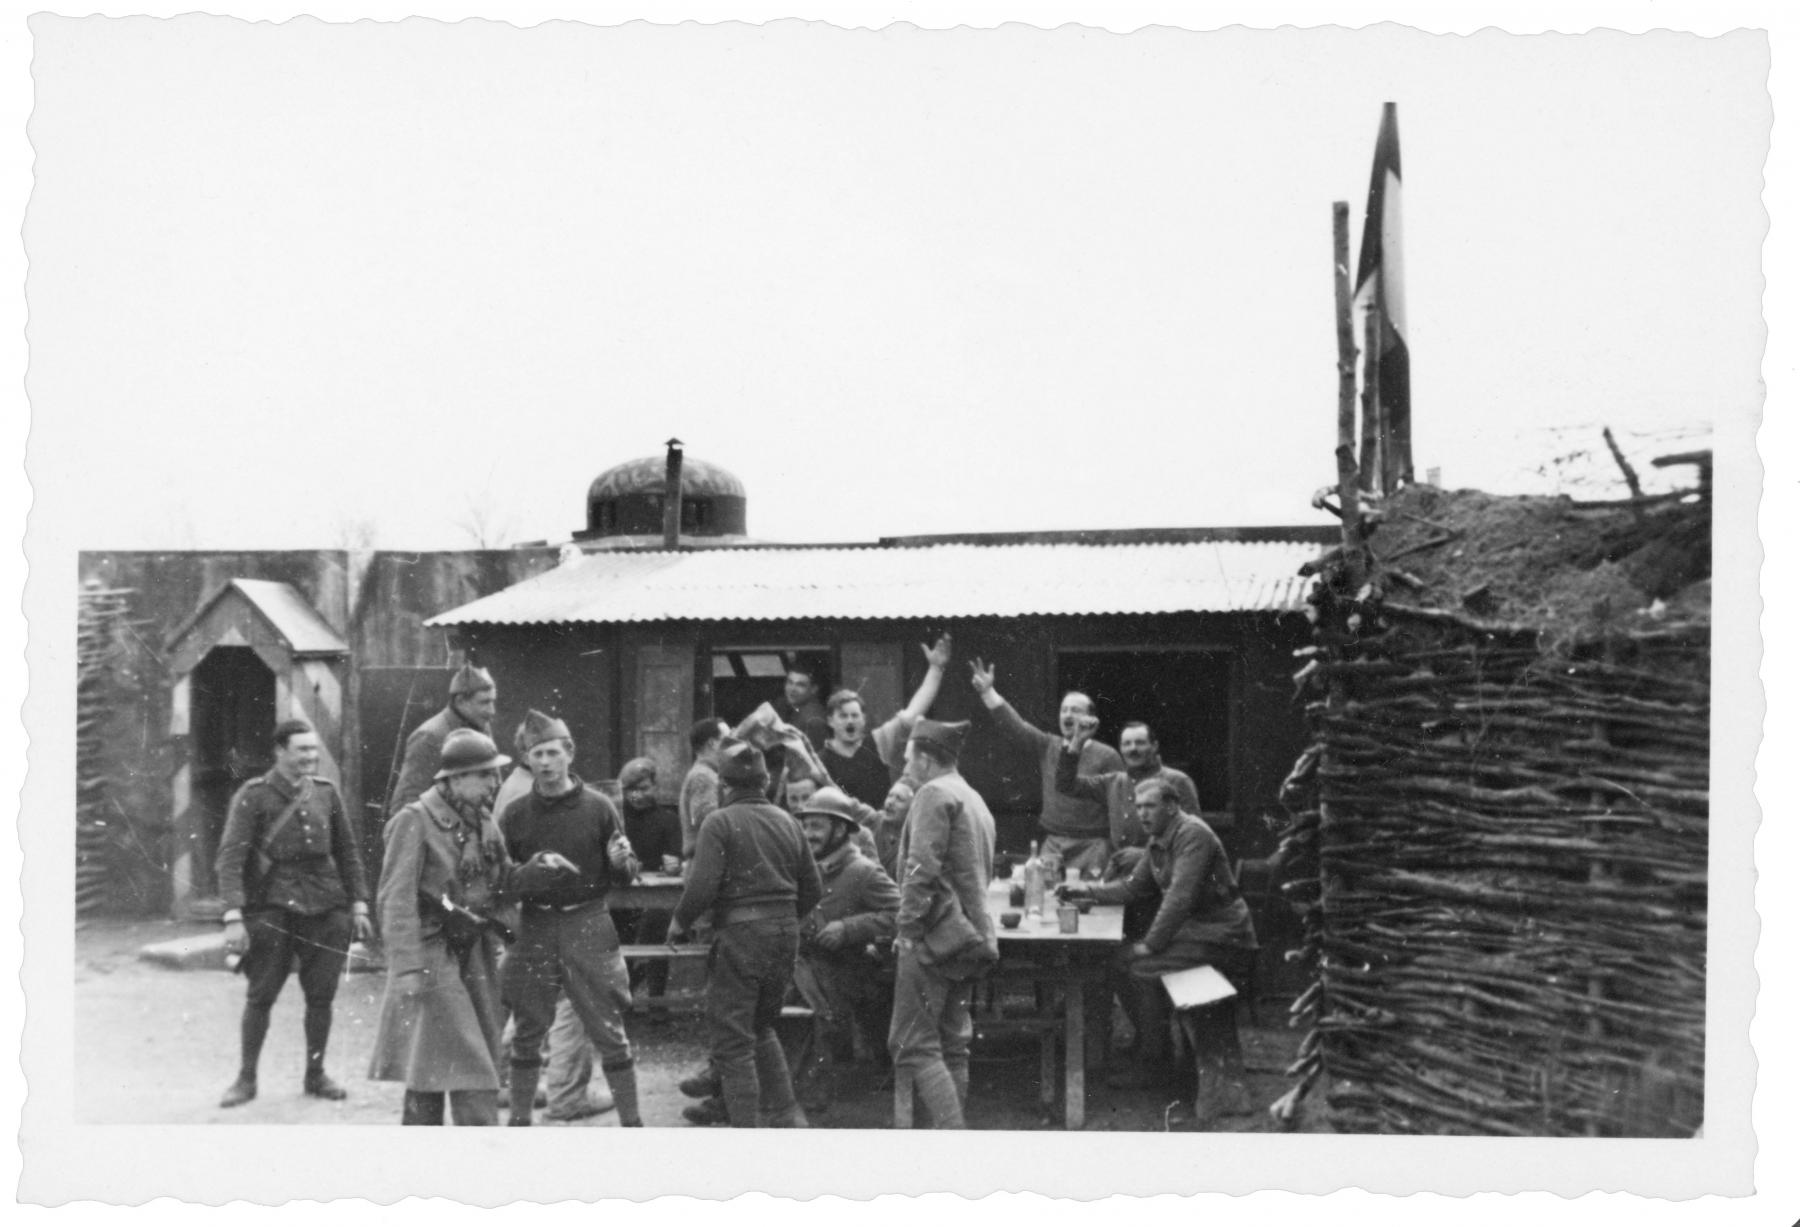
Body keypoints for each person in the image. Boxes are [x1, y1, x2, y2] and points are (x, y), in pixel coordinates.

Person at [367, 729, 579, 1125]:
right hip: (431, 957)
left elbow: (502, 881)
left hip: (474, 954)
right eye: (484, 775)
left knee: (434, 1063)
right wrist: (408, 969)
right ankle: (479, 1150)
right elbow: (394, 900)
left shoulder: (483, 822)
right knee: (470, 1065)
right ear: (454, 778)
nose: (494, 783)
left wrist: (537, 869)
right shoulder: (413, 821)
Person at [1060, 778, 1258, 1111]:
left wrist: (1151, 944)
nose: (1142, 814)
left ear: (1171, 805)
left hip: (1224, 935)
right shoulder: (1158, 840)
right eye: (1138, 807)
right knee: (1125, 963)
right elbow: (1133, 887)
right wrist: (1088, 892)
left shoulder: (1192, 835)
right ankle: (1155, 1051)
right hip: (1197, 933)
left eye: (1150, 806)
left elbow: (1179, 898)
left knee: (1135, 965)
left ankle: (1154, 1060)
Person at [497, 710, 645, 1126]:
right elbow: (503, 881)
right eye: (535, 754)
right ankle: (519, 1126)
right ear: (526, 758)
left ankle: (634, 1125)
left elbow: (626, 873)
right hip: (536, 926)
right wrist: (531, 873)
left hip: (589, 925)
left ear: (569, 753)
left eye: (551, 753)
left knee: (608, 1030)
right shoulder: (514, 814)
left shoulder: (599, 808)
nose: (544, 762)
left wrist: (621, 863)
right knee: (528, 1030)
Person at [215, 719, 373, 1108]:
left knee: (321, 997)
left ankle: (316, 1076)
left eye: (313, 749)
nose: (310, 756)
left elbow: (347, 852)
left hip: (325, 905)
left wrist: (358, 903)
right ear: (280, 751)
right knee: (261, 995)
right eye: (302, 749)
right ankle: (246, 1079)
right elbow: (231, 857)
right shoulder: (254, 795)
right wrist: (234, 914)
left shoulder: (325, 793)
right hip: (272, 906)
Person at [669, 738, 823, 1128]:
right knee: (761, 1026)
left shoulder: (718, 822)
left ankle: (744, 1140)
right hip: (785, 935)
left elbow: (702, 886)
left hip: (741, 938)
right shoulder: (788, 821)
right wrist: (783, 919)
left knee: (733, 1041)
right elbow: (814, 889)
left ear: (724, 785)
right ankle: (787, 1118)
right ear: (766, 781)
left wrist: (679, 921)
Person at [888, 718, 997, 1129]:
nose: (905, 768)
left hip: (934, 936)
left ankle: (952, 1137)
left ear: (927, 758)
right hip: (971, 935)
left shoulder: (932, 793)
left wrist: (907, 930)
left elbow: (920, 870)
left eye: (908, 759)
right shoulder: (972, 796)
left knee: (912, 1043)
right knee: (953, 1044)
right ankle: (948, 1139)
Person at [790, 787, 901, 1114]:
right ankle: (723, 1086)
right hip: (806, 964)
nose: (809, 834)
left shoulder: (862, 871)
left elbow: (902, 913)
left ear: (840, 830)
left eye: (817, 827)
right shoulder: (806, 866)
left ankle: (811, 1091)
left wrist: (849, 929)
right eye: (806, 826)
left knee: (807, 999)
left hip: (846, 970)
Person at [967, 658, 1124, 877]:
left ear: (1090, 719)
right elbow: (1016, 727)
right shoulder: (1049, 745)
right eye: (1064, 710)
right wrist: (987, 692)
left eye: (1076, 711)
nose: (1068, 715)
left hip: (1093, 846)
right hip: (1053, 844)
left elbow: (1121, 805)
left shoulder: (1108, 756)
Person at [817, 634, 953, 809]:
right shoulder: (820, 760)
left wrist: (936, 669)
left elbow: (913, 714)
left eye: (855, 715)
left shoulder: (879, 741)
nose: (850, 720)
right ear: (830, 721)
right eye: (843, 716)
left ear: (864, 719)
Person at [1055, 720, 1201, 881]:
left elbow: (1193, 840)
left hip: (1162, 879)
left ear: (1154, 746)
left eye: (1140, 743)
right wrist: (1077, 741)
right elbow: (1065, 785)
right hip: (1122, 878)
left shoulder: (1177, 781)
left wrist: (1144, 856)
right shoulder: (1113, 782)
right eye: (1127, 744)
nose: (1133, 749)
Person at [611, 756, 683, 1008]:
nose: (636, 796)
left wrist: (674, 864)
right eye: (630, 790)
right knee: (620, 939)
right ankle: (623, 999)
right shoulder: (617, 820)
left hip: (657, 900)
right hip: (622, 897)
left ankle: (657, 1002)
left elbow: (677, 855)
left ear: (656, 787)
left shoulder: (668, 819)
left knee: (658, 927)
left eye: (643, 789)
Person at [389, 663, 500, 816]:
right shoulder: (429, 737)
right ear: (460, 701)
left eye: (493, 701)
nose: (492, 711)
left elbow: (494, 786)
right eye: (484, 702)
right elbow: (406, 804)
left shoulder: (481, 727)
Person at [679, 717, 731, 861]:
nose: (732, 745)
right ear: (712, 743)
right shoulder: (703, 776)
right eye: (727, 739)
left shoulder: (708, 774)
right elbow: (710, 824)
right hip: (706, 862)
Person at [774, 659, 831, 749]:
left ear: (814, 689)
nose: (792, 689)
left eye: (800, 685)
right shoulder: (793, 708)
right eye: (790, 682)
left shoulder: (813, 720)